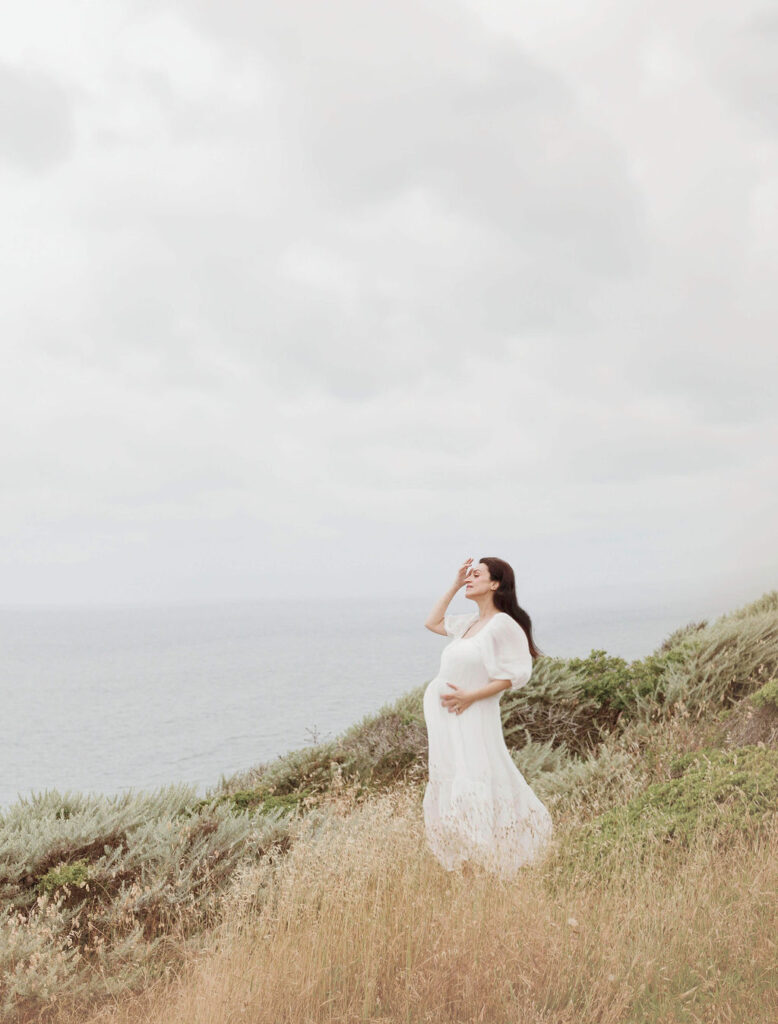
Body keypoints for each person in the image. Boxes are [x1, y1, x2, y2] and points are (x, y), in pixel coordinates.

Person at [422, 556, 553, 878]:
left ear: (495, 583)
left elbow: (517, 674)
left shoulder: (503, 624)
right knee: (454, 774)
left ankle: (492, 853)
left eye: (476, 574)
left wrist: (470, 696)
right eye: (468, 575)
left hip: (471, 712)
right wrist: (455, 584)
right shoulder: (468, 623)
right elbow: (432, 622)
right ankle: (467, 856)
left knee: (478, 772)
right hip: (448, 719)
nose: (470, 578)